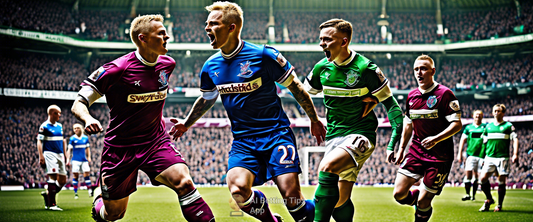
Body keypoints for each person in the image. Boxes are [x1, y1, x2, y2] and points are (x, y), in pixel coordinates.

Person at [170, 2, 326, 222]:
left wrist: (314, 118)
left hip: (276, 134)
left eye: (213, 23)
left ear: (232, 27)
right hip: (243, 140)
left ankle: (323, 207)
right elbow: (206, 99)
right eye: (206, 24)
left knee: (292, 199)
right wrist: (187, 123)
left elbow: (296, 88)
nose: (206, 28)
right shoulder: (210, 66)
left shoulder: (264, 55)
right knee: (238, 191)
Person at [71, 14, 215, 222]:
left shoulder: (168, 64)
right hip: (120, 148)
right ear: (143, 38)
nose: (168, 37)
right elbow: (79, 102)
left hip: (155, 142)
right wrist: (88, 119)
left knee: (184, 182)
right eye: (161, 34)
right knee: (114, 214)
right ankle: (98, 200)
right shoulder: (117, 69)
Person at [304, 18, 403, 222]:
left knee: (327, 168)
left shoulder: (365, 69)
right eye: (320, 39)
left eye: (327, 39)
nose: (322, 44)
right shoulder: (321, 68)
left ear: (344, 41)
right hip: (333, 136)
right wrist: (313, 119)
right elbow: (303, 94)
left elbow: (392, 106)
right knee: (339, 201)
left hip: (360, 134)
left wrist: (393, 143)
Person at [388, 55, 462, 222]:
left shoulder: (445, 94)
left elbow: (457, 125)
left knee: (424, 200)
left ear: (433, 71)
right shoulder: (411, 96)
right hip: (416, 151)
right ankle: (416, 201)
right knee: (399, 194)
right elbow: (408, 124)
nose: (419, 73)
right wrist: (401, 149)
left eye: (423, 69)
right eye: (416, 69)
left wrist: (436, 138)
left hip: (439, 156)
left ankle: (420, 210)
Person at [478, 104, 519, 212]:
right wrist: (482, 158)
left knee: (501, 181)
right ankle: (489, 199)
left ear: (503, 113)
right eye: (495, 111)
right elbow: (484, 143)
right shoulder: (488, 127)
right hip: (489, 157)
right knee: (482, 179)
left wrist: (515, 154)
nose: (497, 113)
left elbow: (515, 140)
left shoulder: (508, 126)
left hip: (502, 158)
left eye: (499, 111)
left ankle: (499, 205)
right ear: (492, 112)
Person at [37, 104, 68, 211]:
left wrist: (66, 155)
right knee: (53, 177)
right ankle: (52, 204)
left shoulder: (60, 126)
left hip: (60, 154)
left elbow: (63, 141)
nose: (59, 115)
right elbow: (39, 141)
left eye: (59, 113)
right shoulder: (44, 126)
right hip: (50, 153)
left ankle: (48, 195)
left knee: (63, 180)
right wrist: (41, 156)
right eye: (57, 113)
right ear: (51, 113)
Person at [457, 110, 486, 201]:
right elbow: (462, 140)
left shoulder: (485, 127)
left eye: (480, 115)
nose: (478, 116)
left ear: (482, 116)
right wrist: (459, 154)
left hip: (482, 155)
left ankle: (473, 196)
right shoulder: (468, 128)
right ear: (473, 116)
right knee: (468, 174)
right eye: (476, 115)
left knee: (477, 176)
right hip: (470, 155)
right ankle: (467, 194)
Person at [66, 123, 94, 199]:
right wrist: (68, 159)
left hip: (84, 160)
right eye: (74, 128)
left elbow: (88, 148)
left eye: (77, 128)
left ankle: (90, 191)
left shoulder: (85, 138)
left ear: (81, 129)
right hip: (75, 160)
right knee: (75, 176)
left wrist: (89, 157)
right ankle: (75, 193)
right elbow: (69, 150)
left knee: (86, 175)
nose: (76, 130)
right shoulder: (72, 139)